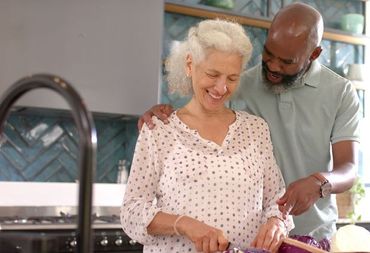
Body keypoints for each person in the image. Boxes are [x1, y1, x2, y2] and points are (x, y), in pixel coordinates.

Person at [139, 2, 360, 240]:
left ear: (314, 54)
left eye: (287, 62)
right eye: (269, 53)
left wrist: (320, 183)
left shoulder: (341, 92)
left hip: (315, 236)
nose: (274, 66)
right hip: (256, 239)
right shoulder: (239, 84)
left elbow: (348, 169)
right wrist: (162, 114)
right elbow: (198, 115)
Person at [121, 19, 293, 253]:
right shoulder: (159, 129)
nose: (221, 88)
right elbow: (132, 212)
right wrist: (184, 225)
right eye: (213, 74)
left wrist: (276, 222)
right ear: (190, 65)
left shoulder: (256, 130)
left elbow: (276, 199)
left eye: (232, 78)